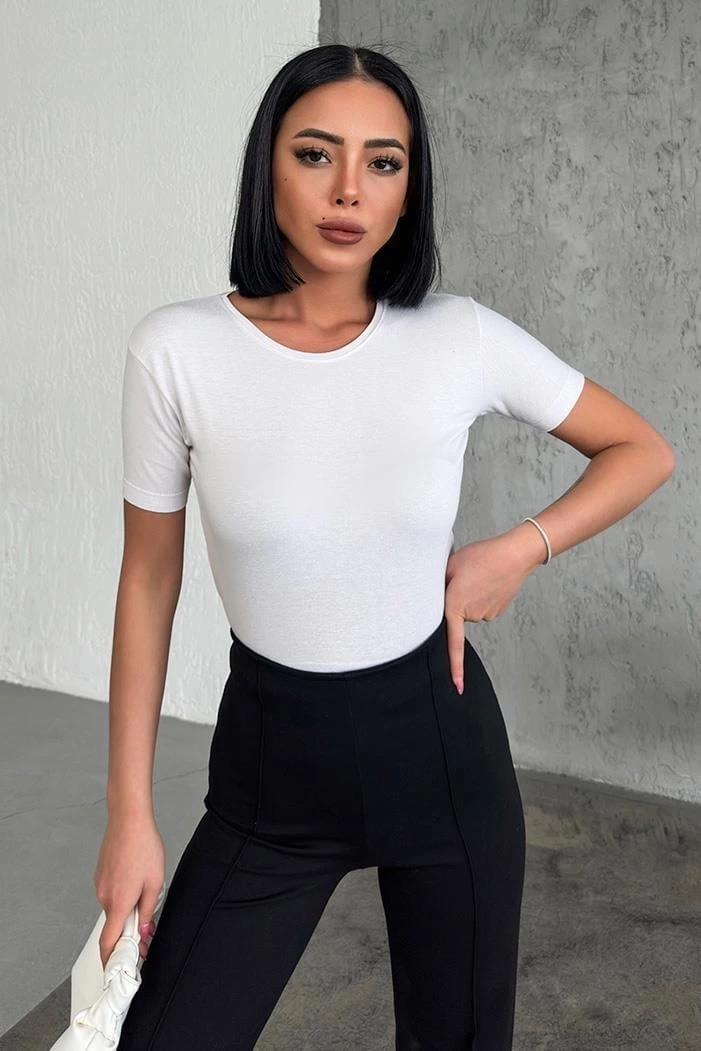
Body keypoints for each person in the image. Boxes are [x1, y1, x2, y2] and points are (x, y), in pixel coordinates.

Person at [96, 42, 675, 1051]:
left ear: (409, 189)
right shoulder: (177, 351)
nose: (348, 191)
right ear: (267, 167)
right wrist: (129, 815)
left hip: (442, 760)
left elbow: (642, 450)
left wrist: (520, 547)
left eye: (383, 162)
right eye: (315, 154)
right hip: (270, 775)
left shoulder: (457, 337)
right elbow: (148, 579)